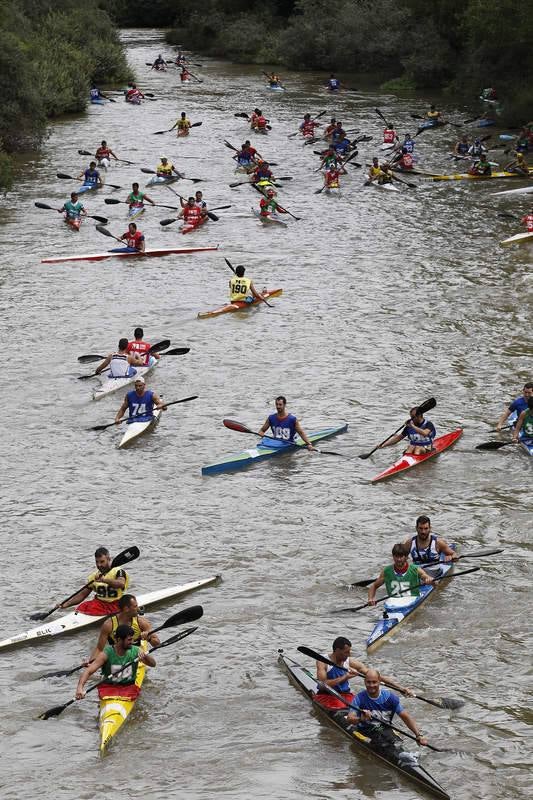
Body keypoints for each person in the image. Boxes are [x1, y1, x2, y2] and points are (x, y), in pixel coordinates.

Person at [314, 636, 413, 713]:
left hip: (346, 695)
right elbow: (322, 685)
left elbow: (376, 676)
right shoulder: (322, 661)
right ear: (337, 651)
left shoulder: (349, 661)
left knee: (368, 706)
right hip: (328, 695)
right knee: (347, 710)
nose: (349, 655)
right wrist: (345, 677)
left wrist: (401, 688)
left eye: (349, 652)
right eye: (346, 652)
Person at [347, 669, 429, 747]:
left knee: (396, 742)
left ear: (379, 682)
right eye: (368, 682)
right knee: (381, 741)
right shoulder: (359, 698)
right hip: (365, 730)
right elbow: (350, 718)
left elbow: (405, 716)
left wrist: (418, 735)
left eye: (374, 682)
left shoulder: (390, 698)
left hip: (384, 728)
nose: (371, 685)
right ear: (364, 682)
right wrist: (360, 719)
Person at [76, 624, 156, 702]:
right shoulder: (106, 653)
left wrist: (146, 656)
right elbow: (88, 671)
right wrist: (80, 688)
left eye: (132, 639)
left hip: (128, 687)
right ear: (119, 640)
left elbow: (153, 664)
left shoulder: (136, 650)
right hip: (109, 687)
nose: (132, 642)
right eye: (129, 640)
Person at [86, 594, 160, 664]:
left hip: (136, 656)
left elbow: (157, 644)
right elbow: (99, 649)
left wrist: (149, 639)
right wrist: (91, 664)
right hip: (116, 658)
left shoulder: (142, 623)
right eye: (135, 606)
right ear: (126, 609)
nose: (138, 609)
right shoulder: (108, 625)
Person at [60, 547, 131, 616]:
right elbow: (82, 595)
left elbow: (121, 583)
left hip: (115, 603)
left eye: (102, 561)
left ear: (109, 559)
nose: (99, 565)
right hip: (99, 604)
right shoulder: (93, 576)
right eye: (97, 562)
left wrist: (104, 580)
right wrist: (66, 604)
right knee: (83, 606)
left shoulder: (118, 571)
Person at [367, 543, 434, 606]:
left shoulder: (415, 569)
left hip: (413, 602)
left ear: (406, 557)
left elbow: (428, 578)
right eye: (396, 556)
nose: (399, 559)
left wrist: (429, 580)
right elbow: (374, 586)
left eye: (401, 556)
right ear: (393, 556)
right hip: (393, 603)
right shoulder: (386, 571)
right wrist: (370, 598)